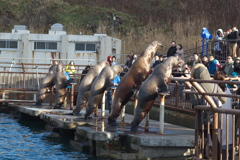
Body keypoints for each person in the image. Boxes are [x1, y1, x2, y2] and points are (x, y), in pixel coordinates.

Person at [189, 63, 226, 159]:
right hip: (215, 115)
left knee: (204, 136)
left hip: (202, 116)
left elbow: (194, 102)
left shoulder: (195, 86)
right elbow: (224, 99)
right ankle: (218, 156)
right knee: (215, 136)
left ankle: (204, 156)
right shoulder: (214, 84)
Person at [213, 71, 233, 160]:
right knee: (228, 141)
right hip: (229, 117)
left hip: (219, 117)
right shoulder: (227, 89)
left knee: (219, 141)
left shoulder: (215, 88)